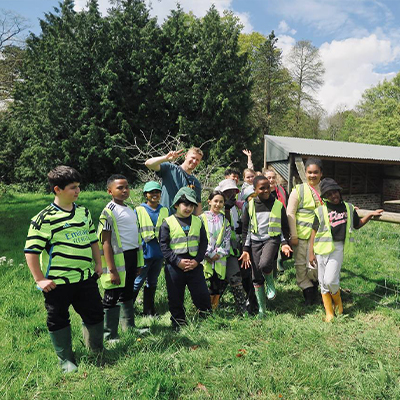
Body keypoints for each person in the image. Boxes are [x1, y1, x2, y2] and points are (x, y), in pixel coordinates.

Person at [24, 166, 104, 373]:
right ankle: (66, 360)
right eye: (72, 188)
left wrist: (98, 263)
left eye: (78, 187)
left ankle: (96, 350)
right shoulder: (43, 218)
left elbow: (93, 240)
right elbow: (31, 251)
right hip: (58, 283)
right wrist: (40, 279)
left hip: (86, 278)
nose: (77, 191)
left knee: (94, 313)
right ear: (57, 189)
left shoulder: (83, 212)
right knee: (58, 318)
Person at [309, 178, 383, 322]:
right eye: (329, 194)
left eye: (335, 192)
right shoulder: (320, 211)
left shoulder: (348, 208)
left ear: (339, 192)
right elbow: (313, 232)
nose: (333, 196)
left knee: (330, 279)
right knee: (322, 281)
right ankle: (329, 313)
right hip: (320, 249)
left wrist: (369, 215)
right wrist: (310, 253)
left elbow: (357, 224)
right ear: (324, 197)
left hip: (337, 247)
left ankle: (338, 302)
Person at [97, 174, 144, 343]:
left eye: (126, 187)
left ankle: (129, 327)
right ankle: (109, 334)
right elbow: (106, 243)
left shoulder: (130, 209)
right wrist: (112, 270)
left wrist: (138, 262)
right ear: (110, 191)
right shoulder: (108, 212)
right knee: (112, 295)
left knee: (127, 293)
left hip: (131, 258)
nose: (124, 191)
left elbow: (134, 237)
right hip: (117, 261)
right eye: (120, 188)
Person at [159, 187, 212, 329]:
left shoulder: (198, 221)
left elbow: (203, 242)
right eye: (185, 205)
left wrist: (197, 261)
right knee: (175, 296)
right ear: (176, 205)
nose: (188, 208)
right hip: (174, 267)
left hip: (195, 265)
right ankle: (178, 322)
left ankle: (207, 319)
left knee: (201, 294)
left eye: (191, 205)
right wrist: (177, 261)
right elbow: (164, 246)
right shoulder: (167, 222)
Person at [240, 176, 292, 318]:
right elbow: (246, 229)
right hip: (255, 242)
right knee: (256, 276)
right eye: (261, 188)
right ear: (255, 190)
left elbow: (284, 227)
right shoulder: (249, 206)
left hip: (272, 239)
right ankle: (262, 310)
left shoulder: (277, 205)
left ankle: (270, 282)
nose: (265, 190)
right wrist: (245, 249)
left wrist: (285, 243)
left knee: (264, 264)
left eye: (267, 187)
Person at [287, 158, 324, 305]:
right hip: (302, 237)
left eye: (316, 172)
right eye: (309, 172)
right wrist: (293, 235)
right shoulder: (298, 190)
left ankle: (317, 290)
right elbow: (290, 213)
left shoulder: (327, 189)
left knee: (315, 266)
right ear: (305, 173)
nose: (312, 175)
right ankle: (309, 297)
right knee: (301, 266)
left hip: (321, 237)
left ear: (321, 173)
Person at [134, 181, 169, 316]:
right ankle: (128, 311)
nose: (155, 194)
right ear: (145, 195)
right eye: (151, 192)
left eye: (157, 192)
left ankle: (148, 311)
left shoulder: (164, 210)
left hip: (159, 253)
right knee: (137, 282)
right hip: (144, 253)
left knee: (152, 282)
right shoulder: (139, 210)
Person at [217, 179, 250, 314]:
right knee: (220, 278)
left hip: (235, 247)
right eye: (227, 191)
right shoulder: (219, 205)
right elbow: (222, 224)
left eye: (233, 191)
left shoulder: (236, 206)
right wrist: (226, 209)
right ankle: (212, 306)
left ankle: (242, 308)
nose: (230, 194)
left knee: (235, 276)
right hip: (219, 249)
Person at [145, 147, 203, 215]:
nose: (194, 161)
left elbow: (198, 205)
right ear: (186, 156)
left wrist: (198, 222)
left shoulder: (195, 182)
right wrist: (165, 158)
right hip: (166, 218)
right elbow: (148, 164)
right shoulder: (170, 169)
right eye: (193, 158)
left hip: (185, 222)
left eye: (197, 160)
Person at [200, 191, 231, 310]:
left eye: (221, 202)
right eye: (215, 201)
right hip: (205, 258)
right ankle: (203, 309)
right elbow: (200, 238)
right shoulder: (201, 219)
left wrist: (219, 253)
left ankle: (213, 310)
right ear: (209, 202)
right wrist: (209, 253)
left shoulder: (225, 221)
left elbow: (227, 239)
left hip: (219, 259)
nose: (218, 204)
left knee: (216, 285)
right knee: (204, 284)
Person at [264, 169, 289, 275]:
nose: (271, 180)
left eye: (273, 177)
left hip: (280, 221)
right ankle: (272, 272)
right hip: (266, 223)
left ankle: (279, 264)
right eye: (268, 178)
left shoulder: (282, 191)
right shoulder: (262, 192)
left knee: (282, 244)